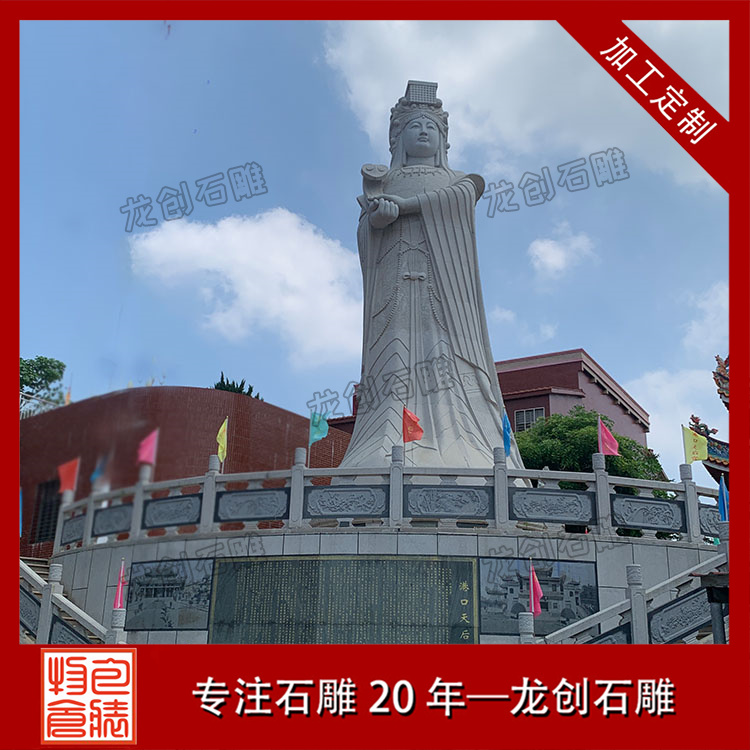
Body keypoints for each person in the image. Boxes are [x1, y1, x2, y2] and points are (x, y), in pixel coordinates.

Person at [338, 81, 524, 470]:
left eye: (431, 127)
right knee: (392, 361)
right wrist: (377, 220)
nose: (423, 132)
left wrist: (406, 207)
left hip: (444, 293)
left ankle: (465, 444)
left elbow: (463, 195)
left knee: (447, 361)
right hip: (394, 289)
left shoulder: (456, 181)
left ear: (443, 139)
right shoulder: (385, 182)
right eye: (414, 126)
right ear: (397, 137)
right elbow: (366, 235)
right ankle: (381, 445)